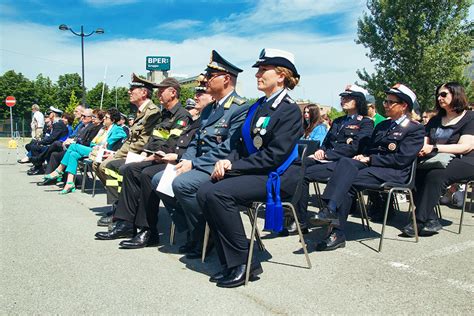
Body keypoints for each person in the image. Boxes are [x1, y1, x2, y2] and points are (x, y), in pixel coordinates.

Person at [195, 48, 302, 288]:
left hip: (278, 175)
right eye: (259, 70)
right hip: (257, 171)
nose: (258, 75)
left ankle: (245, 262)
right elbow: (241, 145)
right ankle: (230, 259)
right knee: (204, 191)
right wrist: (226, 160)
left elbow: (275, 156)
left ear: (281, 75)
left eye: (264, 70)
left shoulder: (289, 110)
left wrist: (233, 166)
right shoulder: (258, 107)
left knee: (219, 193)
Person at [150, 50, 249, 258]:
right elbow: (196, 140)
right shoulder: (208, 109)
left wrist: (193, 165)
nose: (205, 80)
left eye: (212, 76)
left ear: (226, 79)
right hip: (198, 163)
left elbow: (229, 148)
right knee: (159, 180)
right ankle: (197, 230)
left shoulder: (240, 108)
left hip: (218, 166)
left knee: (181, 184)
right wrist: (187, 159)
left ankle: (204, 233)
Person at [95, 85, 214, 248]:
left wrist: (162, 157)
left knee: (147, 174)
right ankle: (126, 223)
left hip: (173, 160)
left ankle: (148, 229)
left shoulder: (183, 115)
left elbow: (174, 144)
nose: (196, 96)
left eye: (201, 93)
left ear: (173, 93)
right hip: (163, 157)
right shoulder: (170, 115)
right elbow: (154, 139)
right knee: (128, 169)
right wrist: (145, 155)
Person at [309, 83, 425, 251]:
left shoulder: (415, 129)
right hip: (373, 167)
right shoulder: (383, 125)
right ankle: (331, 210)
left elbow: (401, 160)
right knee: (346, 163)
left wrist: (370, 159)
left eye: (390, 102)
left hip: (395, 173)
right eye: (385, 101)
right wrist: (363, 157)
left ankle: (335, 226)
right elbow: (370, 149)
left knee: (347, 181)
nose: (385, 105)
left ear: (404, 105)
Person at [291, 84, 374, 234]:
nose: (344, 100)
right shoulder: (338, 121)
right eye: (343, 97)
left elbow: (354, 148)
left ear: (358, 100)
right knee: (298, 165)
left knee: (302, 174)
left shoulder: (366, 122)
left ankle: (302, 219)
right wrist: (321, 151)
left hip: (343, 163)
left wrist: (328, 154)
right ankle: (299, 219)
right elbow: (327, 143)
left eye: (348, 97)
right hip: (328, 159)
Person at [98, 77, 191, 209]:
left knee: (133, 170)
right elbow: (151, 139)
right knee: (113, 166)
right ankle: (120, 210)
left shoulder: (180, 116)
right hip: (149, 155)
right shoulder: (164, 114)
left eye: (162, 91)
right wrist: (144, 153)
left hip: (164, 158)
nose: (158, 94)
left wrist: (147, 156)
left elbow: (170, 144)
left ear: (173, 93)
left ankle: (129, 214)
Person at [402, 82, 474, 237]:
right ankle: (431, 219)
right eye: (438, 95)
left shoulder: (470, 118)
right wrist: (422, 149)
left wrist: (434, 148)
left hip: (466, 160)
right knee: (411, 171)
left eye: (444, 94)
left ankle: (419, 221)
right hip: (437, 159)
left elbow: (465, 147)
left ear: (456, 95)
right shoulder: (436, 119)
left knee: (436, 175)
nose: (439, 98)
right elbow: (425, 141)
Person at [93, 73, 161, 200]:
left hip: (142, 154)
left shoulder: (152, 112)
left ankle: (120, 204)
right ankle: (119, 201)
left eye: (132, 89)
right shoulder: (141, 111)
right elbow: (131, 139)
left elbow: (141, 142)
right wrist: (117, 153)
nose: (129, 92)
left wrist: (117, 155)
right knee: (96, 164)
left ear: (143, 92)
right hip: (131, 152)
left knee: (105, 166)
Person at [45, 108, 126, 194]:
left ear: (112, 120)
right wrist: (96, 146)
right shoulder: (103, 129)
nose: (104, 119)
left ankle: (59, 170)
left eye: (106, 118)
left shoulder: (116, 128)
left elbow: (123, 134)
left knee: (73, 146)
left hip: (103, 153)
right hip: (95, 150)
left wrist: (108, 142)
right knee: (73, 154)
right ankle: (69, 183)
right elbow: (92, 143)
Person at [25, 106, 69, 175]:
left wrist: (40, 142)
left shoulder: (58, 124)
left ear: (53, 114)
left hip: (58, 146)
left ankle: (38, 165)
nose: (48, 115)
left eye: (50, 113)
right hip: (53, 145)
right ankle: (38, 167)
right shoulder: (57, 123)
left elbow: (52, 138)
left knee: (35, 147)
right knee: (34, 146)